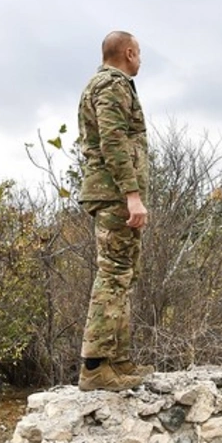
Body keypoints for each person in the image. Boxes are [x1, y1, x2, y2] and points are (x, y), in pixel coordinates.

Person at [76, 30, 154, 391]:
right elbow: (112, 139)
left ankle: (116, 361)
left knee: (124, 274)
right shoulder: (111, 85)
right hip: (114, 196)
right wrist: (131, 195)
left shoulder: (109, 84)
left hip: (114, 195)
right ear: (129, 52)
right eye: (138, 53)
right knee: (112, 274)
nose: (140, 59)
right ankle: (94, 367)